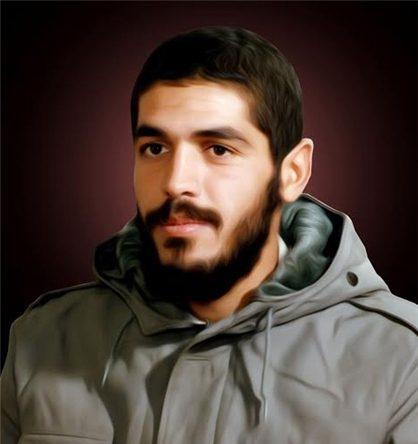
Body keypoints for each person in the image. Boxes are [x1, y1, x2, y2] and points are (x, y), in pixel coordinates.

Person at [1, 26, 417, 444]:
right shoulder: (42, 339)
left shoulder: (401, 361)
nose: (176, 183)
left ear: (292, 173)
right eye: (155, 148)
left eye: (219, 149)